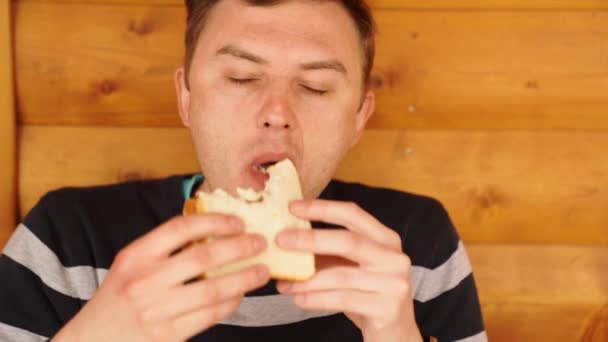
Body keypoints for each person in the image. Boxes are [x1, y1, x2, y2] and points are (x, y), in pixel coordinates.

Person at [0, 0, 486, 341]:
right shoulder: (66, 241)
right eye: (242, 77)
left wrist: (397, 337)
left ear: (359, 118)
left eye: (315, 87)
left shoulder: (417, 246)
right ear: (186, 97)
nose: (277, 111)